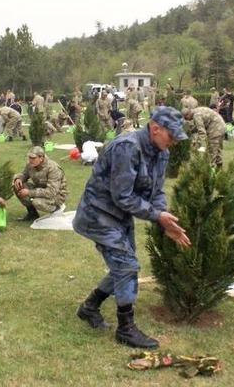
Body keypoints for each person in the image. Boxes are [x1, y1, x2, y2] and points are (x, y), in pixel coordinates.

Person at [73, 107, 191, 349]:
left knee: (125, 266)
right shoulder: (127, 147)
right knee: (126, 265)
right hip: (98, 213)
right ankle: (125, 329)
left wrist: (164, 218)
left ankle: (90, 307)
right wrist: (157, 216)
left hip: (119, 216)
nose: (174, 142)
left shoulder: (161, 152)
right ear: (155, 128)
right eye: (171, 135)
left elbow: (156, 192)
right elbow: (123, 196)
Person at [13, 146, 68, 221]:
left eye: (33, 158)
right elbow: (25, 174)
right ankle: (32, 214)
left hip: (57, 195)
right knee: (18, 186)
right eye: (29, 157)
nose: (30, 160)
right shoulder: (30, 164)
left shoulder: (53, 168)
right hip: (41, 189)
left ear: (41, 158)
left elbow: (51, 192)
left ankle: (57, 208)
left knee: (37, 202)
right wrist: (19, 178)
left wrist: (29, 192)